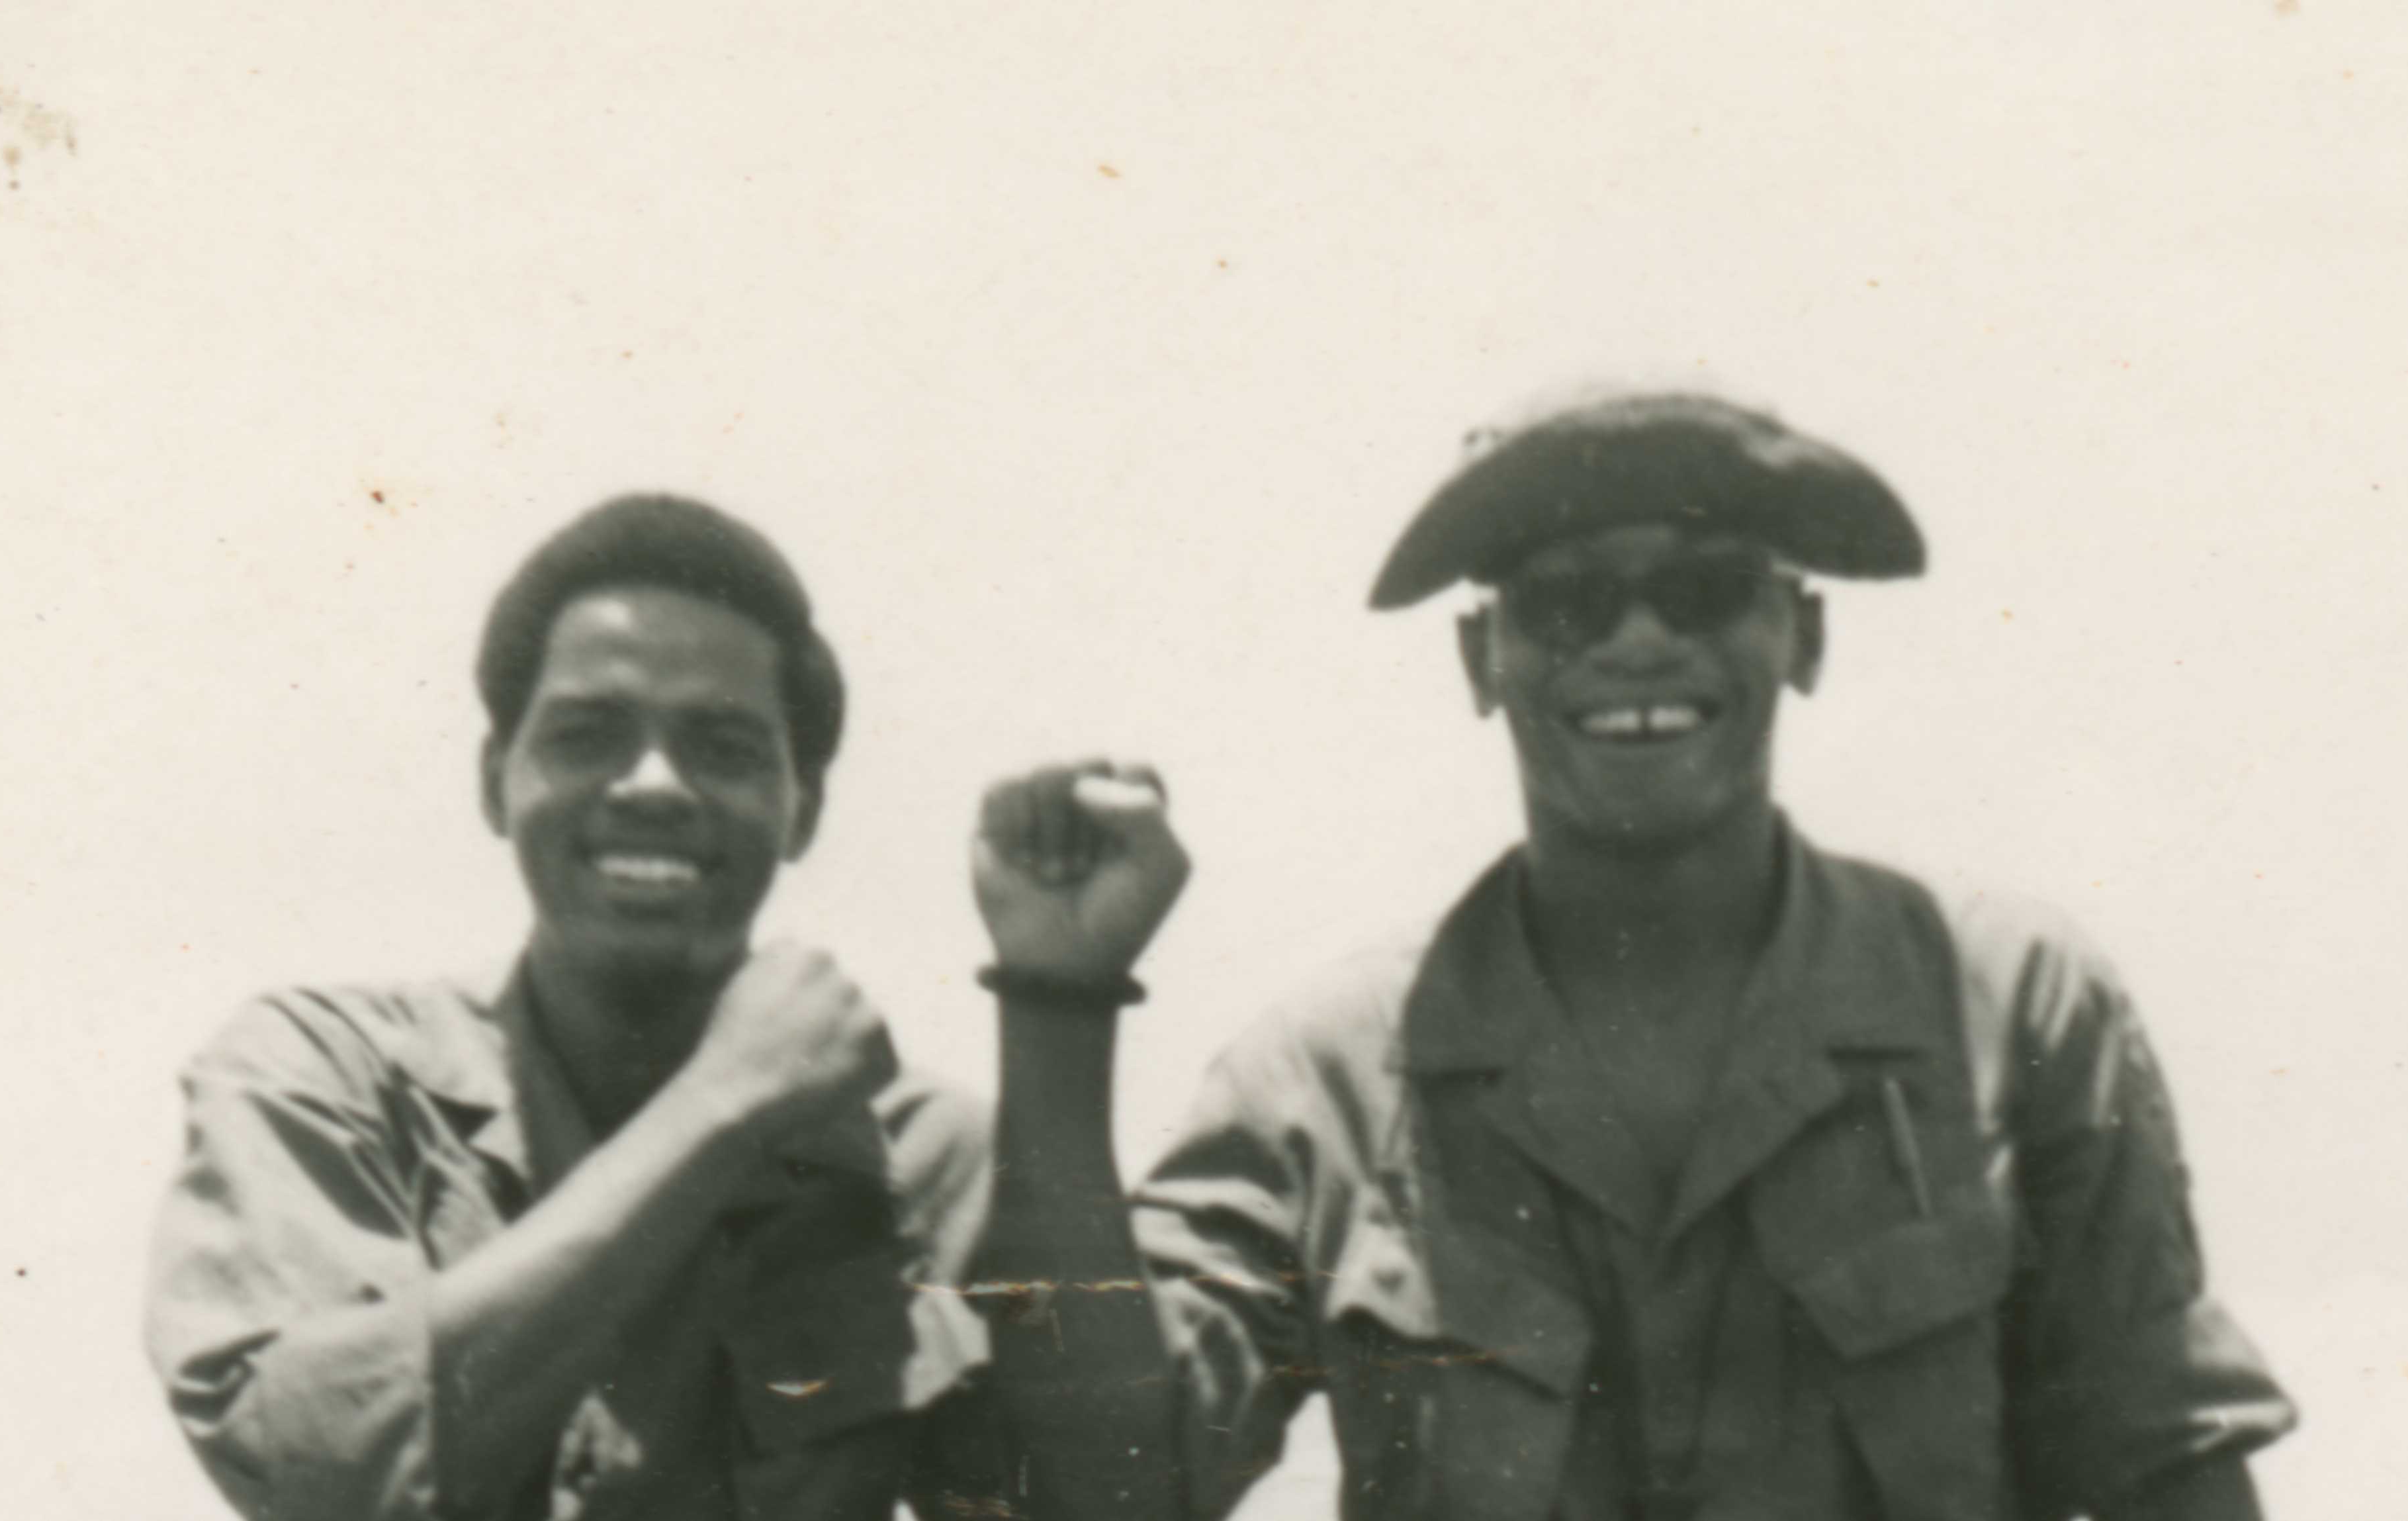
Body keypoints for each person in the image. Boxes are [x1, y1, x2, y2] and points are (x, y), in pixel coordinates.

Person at [975, 394, 2297, 1521]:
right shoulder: (1323, 1077)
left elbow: (2170, 1474)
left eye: (1706, 589)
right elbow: (1101, 1483)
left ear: (1805, 634)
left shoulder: (2010, 1002)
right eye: (1565, 602)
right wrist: (1057, 999)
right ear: (1480, 660)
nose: (1638, 641)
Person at [142, 494, 1184, 1521]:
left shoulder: (915, 1154)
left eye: (723, 747)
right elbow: (313, 1472)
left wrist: (1060, 1001)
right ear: (494, 779)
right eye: (589, 734)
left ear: (802, 810)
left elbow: (1116, 1507)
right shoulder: (325, 1073)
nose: (652, 784)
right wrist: (721, 1108)